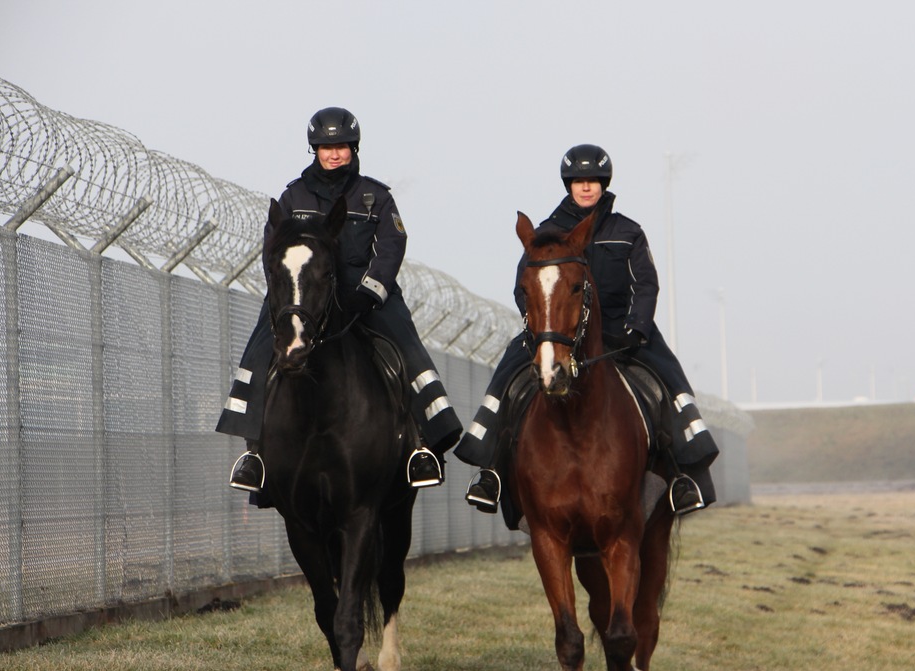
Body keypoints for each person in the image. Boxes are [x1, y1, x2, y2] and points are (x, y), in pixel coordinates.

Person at [453, 143, 718, 515]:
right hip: (557, 330)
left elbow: (646, 284)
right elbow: (523, 287)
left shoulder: (628, 231)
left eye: (593, 180)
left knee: (670, 379)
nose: (586, 187)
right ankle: (490, 472)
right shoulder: (546, 234)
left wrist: (637, 328)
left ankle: (686, 475)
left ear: (603, 183)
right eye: (579, 181)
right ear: (569, 185)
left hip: (619, 328)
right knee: (507, 379)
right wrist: (540, 326)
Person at [217, 107, 461, 494]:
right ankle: (255, 453)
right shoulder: (292, 196)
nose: (334, 154)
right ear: (313, 149)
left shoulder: (375, 196)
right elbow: (272, 250)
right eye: (325, 147)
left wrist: (371, 291)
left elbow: (392, 246)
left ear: (354, 148)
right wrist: (285, 295)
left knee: (406, 347)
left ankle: (422, 445)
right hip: (304, 294)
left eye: (342, 147)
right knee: (262, 350)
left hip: (362, 294)